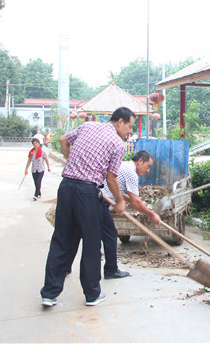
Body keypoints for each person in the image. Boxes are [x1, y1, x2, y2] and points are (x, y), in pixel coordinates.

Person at [40, 107, 135, 308]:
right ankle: (92, 294)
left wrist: (72, 162)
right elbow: (111, 178)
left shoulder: (88, 126)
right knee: (91, 243)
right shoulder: (118, 144)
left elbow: (64, 140)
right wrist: (119, 201)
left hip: (66, 187)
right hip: (86, 192)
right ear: (120, 122)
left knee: (61, 240)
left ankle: (49, 293)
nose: (129, 131)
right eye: (129, 126)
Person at [97, 150, 161, 279]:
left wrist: (125, 199)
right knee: (110, 235)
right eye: (148, 166)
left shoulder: (124, 165)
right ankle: (111, 270)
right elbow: (136, 202)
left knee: (82, 234)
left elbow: (117, 189)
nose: (148, 170)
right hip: (100, 202)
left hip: (98, 197)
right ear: (140, 161)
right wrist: (151, 214)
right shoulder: (131, 173)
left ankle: (65, 267)